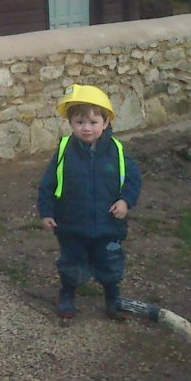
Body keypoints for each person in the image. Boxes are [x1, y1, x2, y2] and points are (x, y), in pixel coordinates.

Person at [37, 83, 142, 321]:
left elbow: (132, 180)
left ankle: (113, 297)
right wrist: (46, 212)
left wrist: (125, 201)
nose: (86, 128)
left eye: (93, 122)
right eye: (80, 122)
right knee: (71, 263)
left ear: (105, 123)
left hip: (108, 224)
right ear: (71, 123)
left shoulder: (117, 151)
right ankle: (67, 293)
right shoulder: (64, 151)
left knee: (110, 263)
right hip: (71, 224)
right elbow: (48, 184)